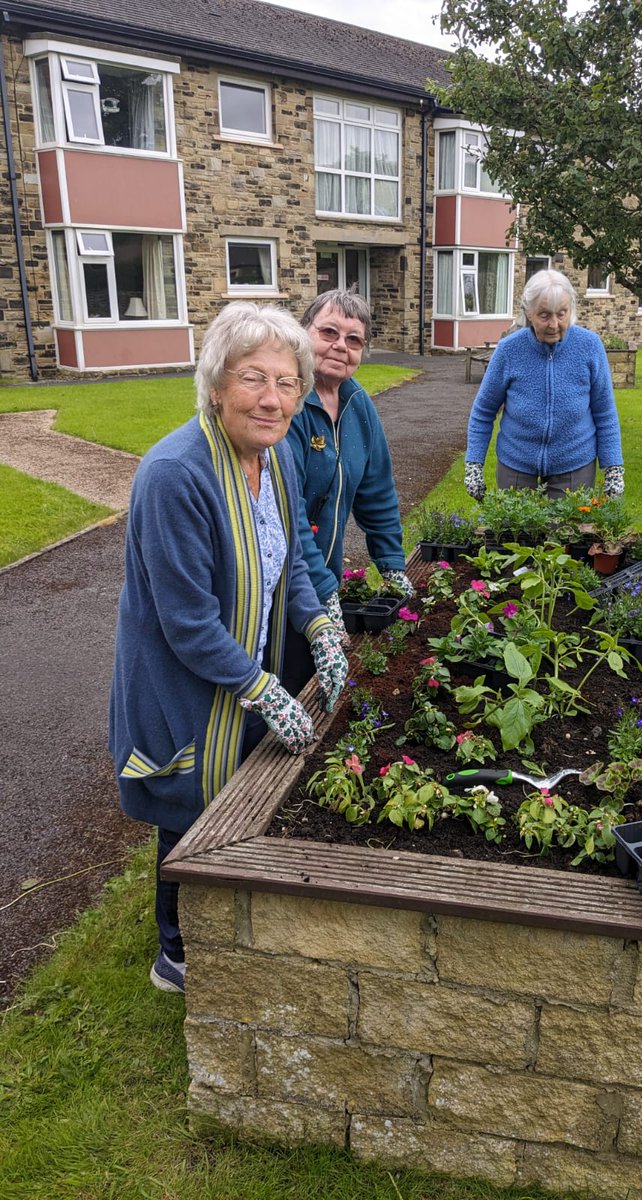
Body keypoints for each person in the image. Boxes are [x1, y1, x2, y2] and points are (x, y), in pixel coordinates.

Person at [109, 301, 348, 994]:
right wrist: (263, 686)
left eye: (286, 382)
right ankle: (176, 953)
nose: (272, 399)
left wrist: (322, 627)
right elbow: (186, 620)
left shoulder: (275, 462)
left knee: (235, 802)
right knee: (189, 812)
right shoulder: (175, 474)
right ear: (216, 386)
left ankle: (225, 927)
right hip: (182, 680)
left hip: (240, 667)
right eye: (253, 379)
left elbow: (294, 562)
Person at [281, 289, 412, 692]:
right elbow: (290, 511)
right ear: (304, 334)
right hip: (281, 579)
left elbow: (377, 491)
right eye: (329, 332)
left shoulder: (357, 405)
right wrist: (322, 591)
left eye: (354, 339)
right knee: (283, 668)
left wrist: (392, 563)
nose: (341, 346)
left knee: (313, 675)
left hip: (323, 570)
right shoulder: (289, 404)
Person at [463, 268, 624, 501]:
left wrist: (613, 468)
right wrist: (474, 465)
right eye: (544, 315)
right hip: (516, 462)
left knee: (568, 534)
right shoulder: (509, 350)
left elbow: (605, 412)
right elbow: (483, 410)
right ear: (528, 313)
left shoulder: (589, 347)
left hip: (573, 462)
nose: (554, 324)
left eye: (562, 314)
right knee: (514, 534)